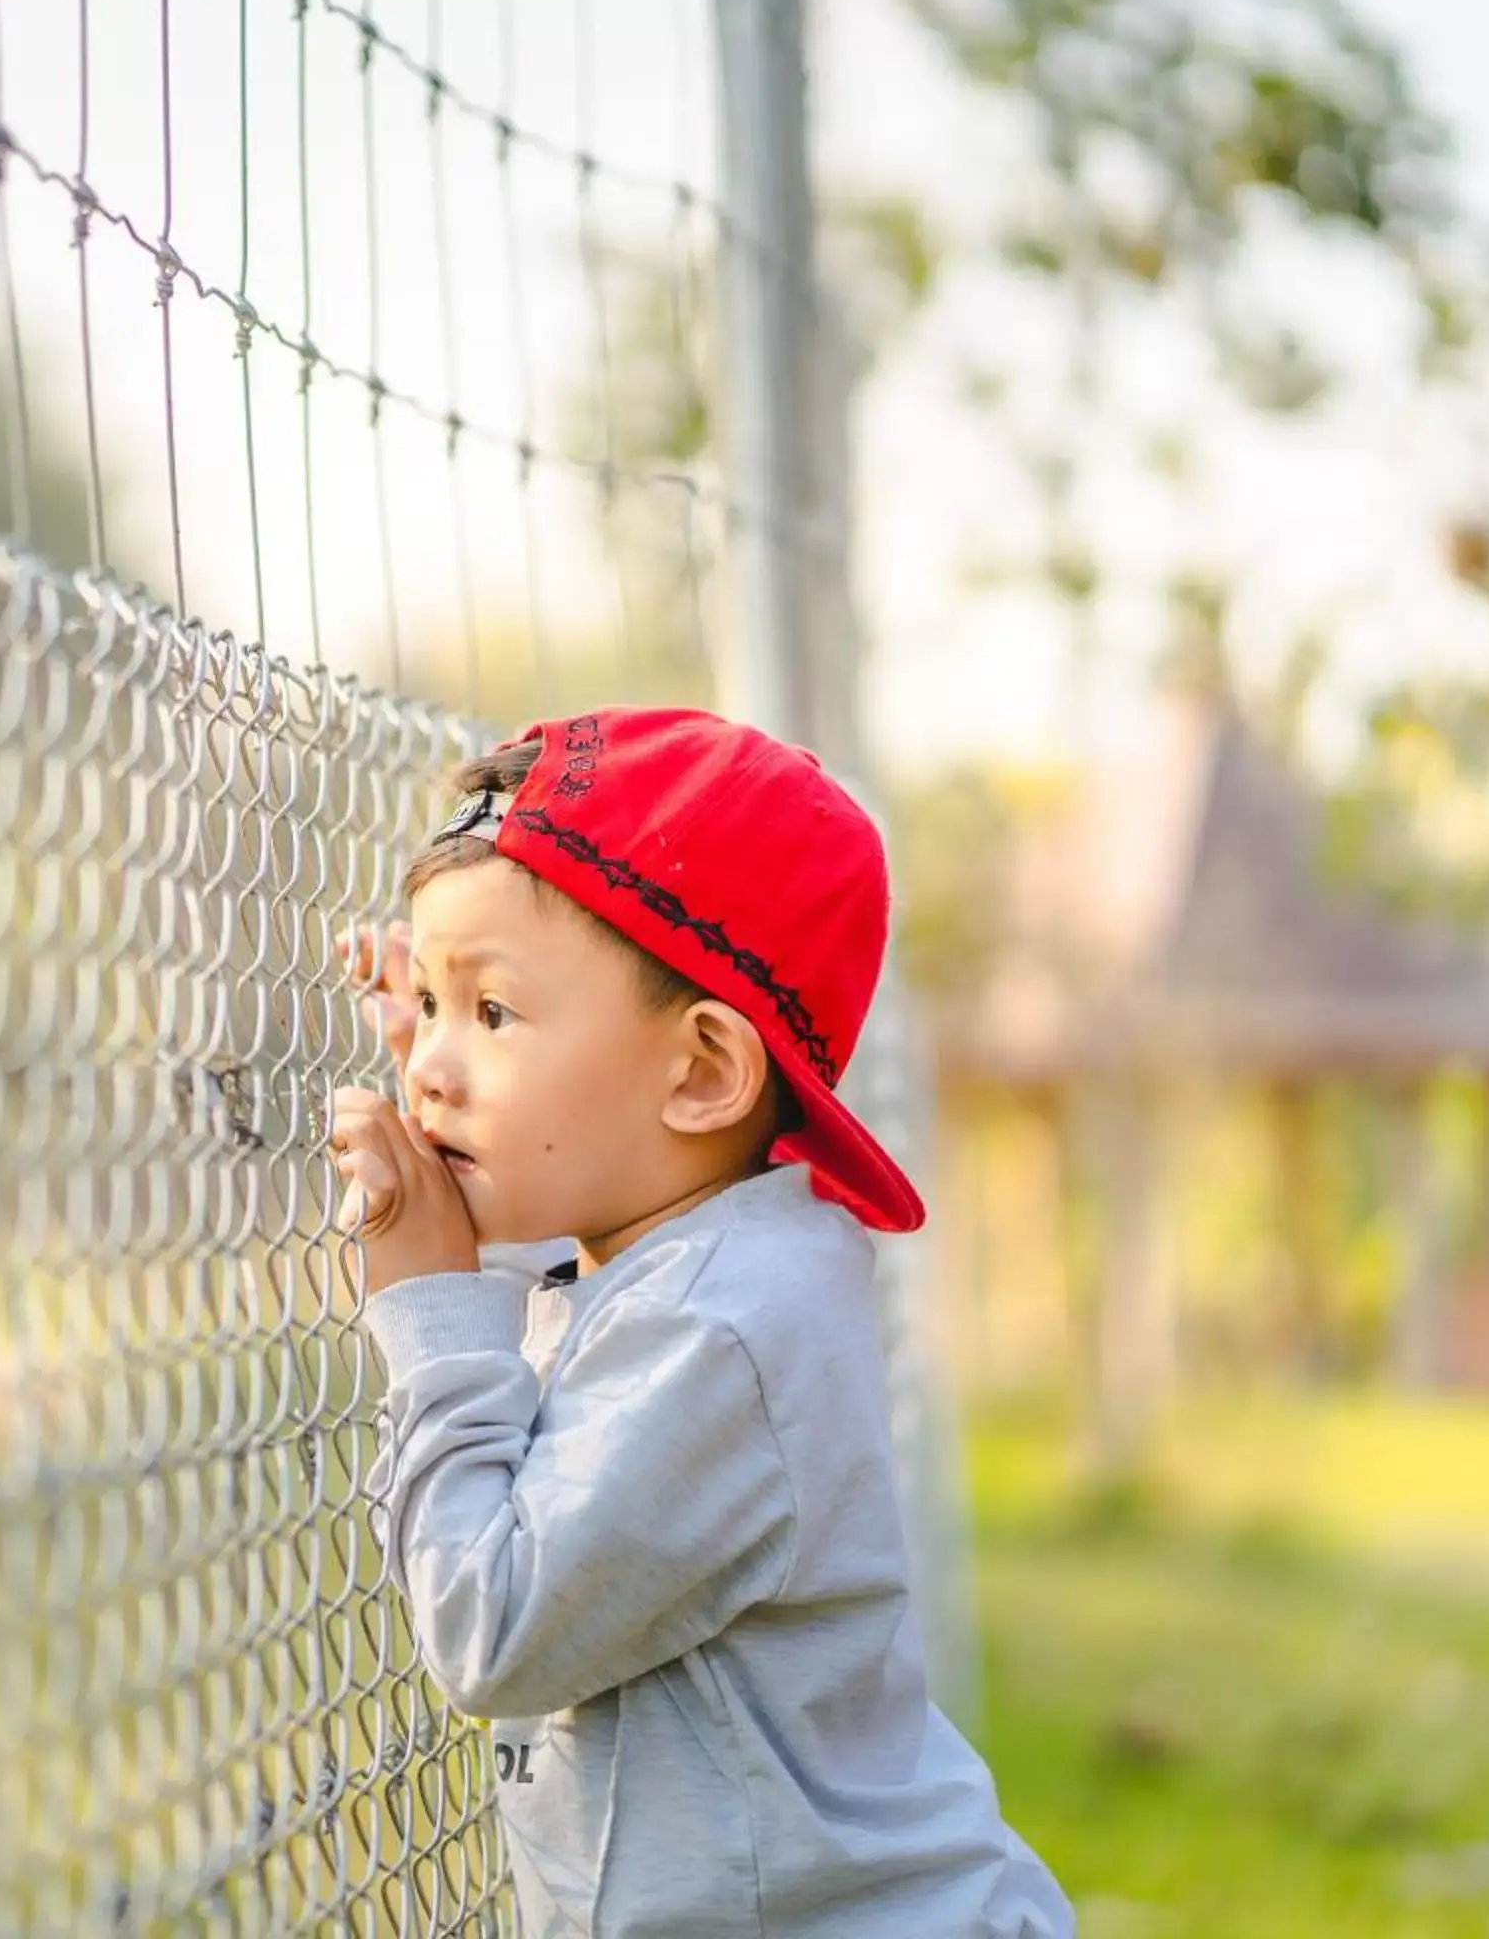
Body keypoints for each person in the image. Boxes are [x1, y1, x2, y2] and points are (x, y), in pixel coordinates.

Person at [326, 707, 1073, 1937]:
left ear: (702, 1072)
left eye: (494, 1013)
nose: (429, 1071)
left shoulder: (723, 1328)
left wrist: (431, 1302)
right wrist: (468, 1067)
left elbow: (495, 1623)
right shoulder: (701, 1258)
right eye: (427, 1003)